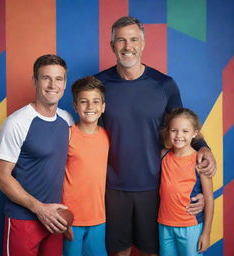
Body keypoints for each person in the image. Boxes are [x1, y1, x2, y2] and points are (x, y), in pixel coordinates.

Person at [94, 16, 216, 256]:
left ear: (143, 44)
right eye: (121, 40)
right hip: (112, 187)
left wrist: (204, 147)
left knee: (153, 251)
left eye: (133, 40)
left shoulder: (164, 84)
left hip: (156, 186)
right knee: (119, 251)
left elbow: (182, 125)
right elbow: (87, 134)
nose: (127, 46)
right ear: (112, 46)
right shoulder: (99, 85)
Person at [0, 54, 74, 256]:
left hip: (55, 220)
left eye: (59, 78)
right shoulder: (17, 122)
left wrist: (67, 217)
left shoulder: (67, 120)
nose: (52, 84)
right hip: (23, 218)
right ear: (35, 81)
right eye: (46, 77)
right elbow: (0, 177)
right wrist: (39, 209)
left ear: (64, 83)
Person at [62, 76, 109, 256]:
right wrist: (62, 217)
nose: (90, 107)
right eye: (84, 101)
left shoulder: (107, 136)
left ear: (103, 107)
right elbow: (55, 175)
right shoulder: (67, 136)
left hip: (98, 217)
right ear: (75, 106)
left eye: (95, 101)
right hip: (71, 218)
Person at [158, 108, 214, 256]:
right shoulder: (163, 156)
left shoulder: (200, 160)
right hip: (164, 225)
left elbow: (208, 197)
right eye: (174, 130)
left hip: (190, 226)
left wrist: (206, 233)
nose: (179, 136)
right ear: (168, 131)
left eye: (185, 131)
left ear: (195, 133)